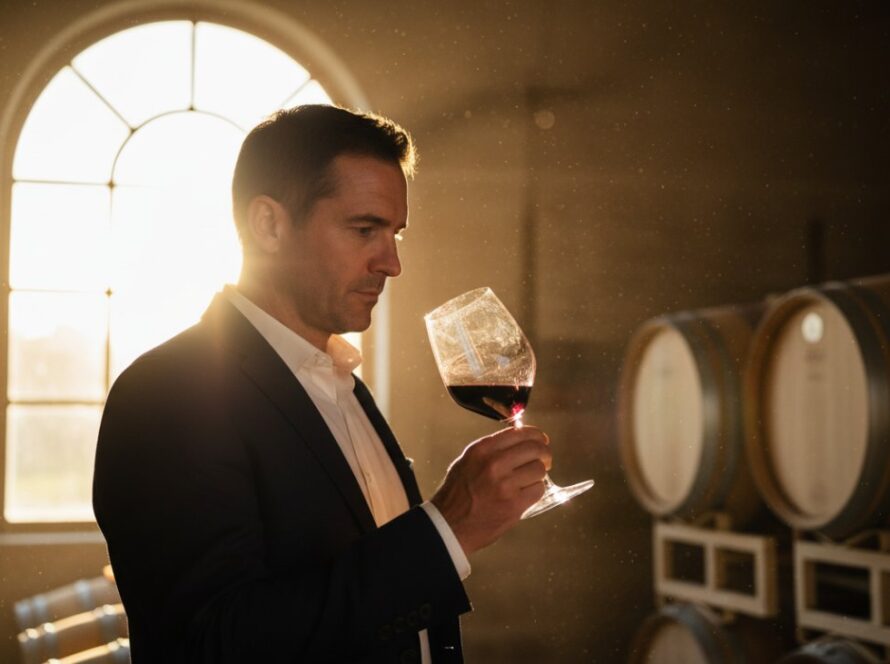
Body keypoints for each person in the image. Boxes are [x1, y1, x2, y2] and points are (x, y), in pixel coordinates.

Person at [93, 105, 552, 664]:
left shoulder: (342, 384)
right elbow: (214, 643)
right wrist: (447, 526)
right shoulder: (168, 394)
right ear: (269, 225)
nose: (392, 263)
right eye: (365, 230)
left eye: (395, 233)